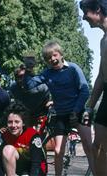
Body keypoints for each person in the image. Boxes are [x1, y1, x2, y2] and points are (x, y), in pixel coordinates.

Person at [36, 40, 94, 175]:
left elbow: (84, 91)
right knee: (57, 150)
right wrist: (27, 71)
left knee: (88, 145)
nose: (52, 59)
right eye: (48, 58)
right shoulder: (47, 73)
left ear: (61, 54)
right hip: (61, 114)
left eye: (55, 55)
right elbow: (32, 83)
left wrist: (76, 110)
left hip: (78, 111)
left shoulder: (73, 68)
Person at [80, 0, 107, 175]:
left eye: (86, 11)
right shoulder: (103, 40)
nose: (83, 17)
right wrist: (89, 106)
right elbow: (101, 76)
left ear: (98, 9)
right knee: (98, 146)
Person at [1, 101, 47, 176]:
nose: (13, 125)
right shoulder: (6, 135)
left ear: (23, 123)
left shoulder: (33, 135)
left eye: (17, 122)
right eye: (10, 122)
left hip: (36, 170)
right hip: (19, 170)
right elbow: (1, 162)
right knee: (7, 149)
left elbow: (36, 163)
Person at [9, 56, 51, 136]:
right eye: (19, 77)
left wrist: (51, 101)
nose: (22, 80)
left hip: (40, 113)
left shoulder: (41, 87)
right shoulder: (13, 88)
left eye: (24, 77)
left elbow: (53, 91)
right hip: (26, 114)